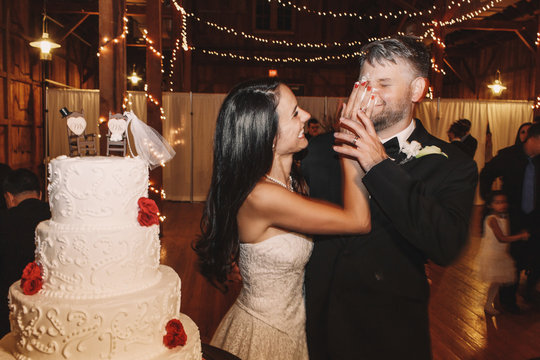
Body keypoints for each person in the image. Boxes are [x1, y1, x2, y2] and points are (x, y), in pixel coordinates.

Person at [304, 35, 478, 360]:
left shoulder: (453, 165)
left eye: (383, 83)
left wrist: (378, 165)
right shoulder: (317, 151)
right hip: (316, 324)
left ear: (416, 90)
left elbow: (446, 245)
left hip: (389, 332)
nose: (370, 94)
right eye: (363, 83)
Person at [194, 78, 372, 360]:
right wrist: (351, 143)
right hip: (266, 335)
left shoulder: (290, 182)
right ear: (269, 135)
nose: (307, 116)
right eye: (295, 112)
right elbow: (358, 220)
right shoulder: (263, 196)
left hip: (293, 326)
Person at [480, 122, 540, 311]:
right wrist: (490, 201)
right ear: (534, 139)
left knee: (535, 256)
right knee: (513, 259)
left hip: (536, 217)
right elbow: (486, 174)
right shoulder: (508, 156)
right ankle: (508, 301)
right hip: (513, 215)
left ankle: (530, 291)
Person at [0, 168, 51, 336]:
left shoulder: (4, 222)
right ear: (41, 194)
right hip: (52, 312)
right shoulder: (56, 218)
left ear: (9, 197)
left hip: (8, 315)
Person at [475, 191, 529, 315]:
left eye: (504, 202)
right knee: (496, 281)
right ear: (490, 205)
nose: (502, 205)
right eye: (497, 203)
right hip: (493, 254)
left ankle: (489, 303)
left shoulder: (503, 217)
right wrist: (521, 236)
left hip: (500, 254)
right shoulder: (492, 219)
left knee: (497, 282)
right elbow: (502, 238)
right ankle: (488, 304)